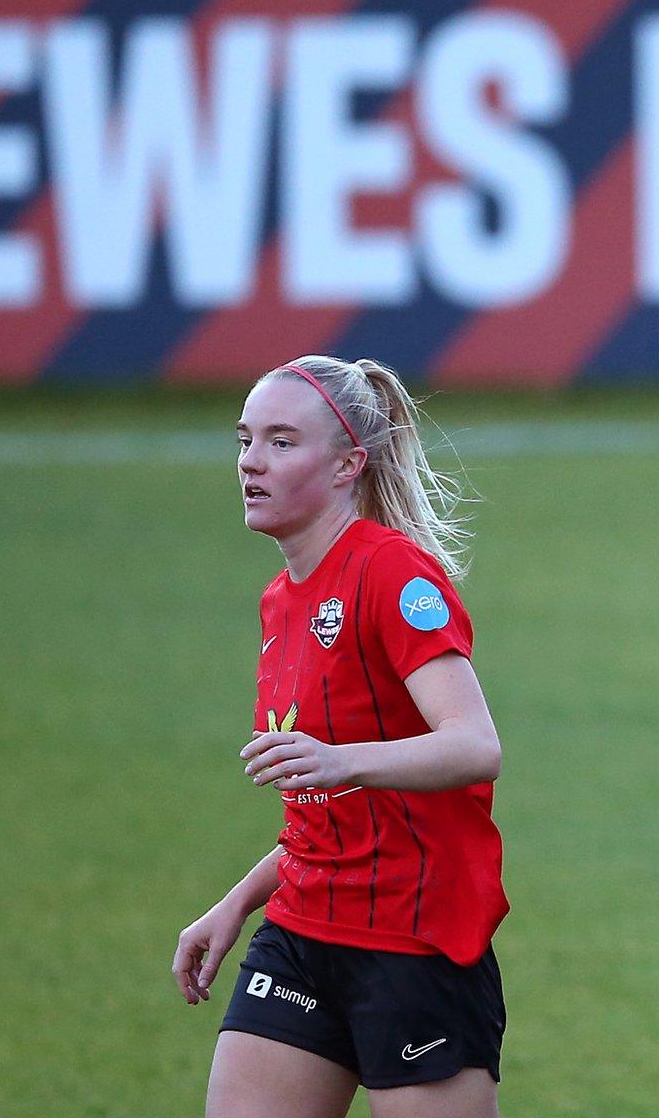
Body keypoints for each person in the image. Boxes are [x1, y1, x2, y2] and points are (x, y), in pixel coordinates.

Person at [171, 356, 508, 1118]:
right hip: (303, 928)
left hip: (413, 944)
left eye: (283, 442)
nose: (251, 461)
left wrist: (341, 760)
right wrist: (238, 903)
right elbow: (331, 808)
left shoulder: (395, 576)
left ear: (347, 464)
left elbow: (475, 744)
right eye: (245, 439)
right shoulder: (282, 601)